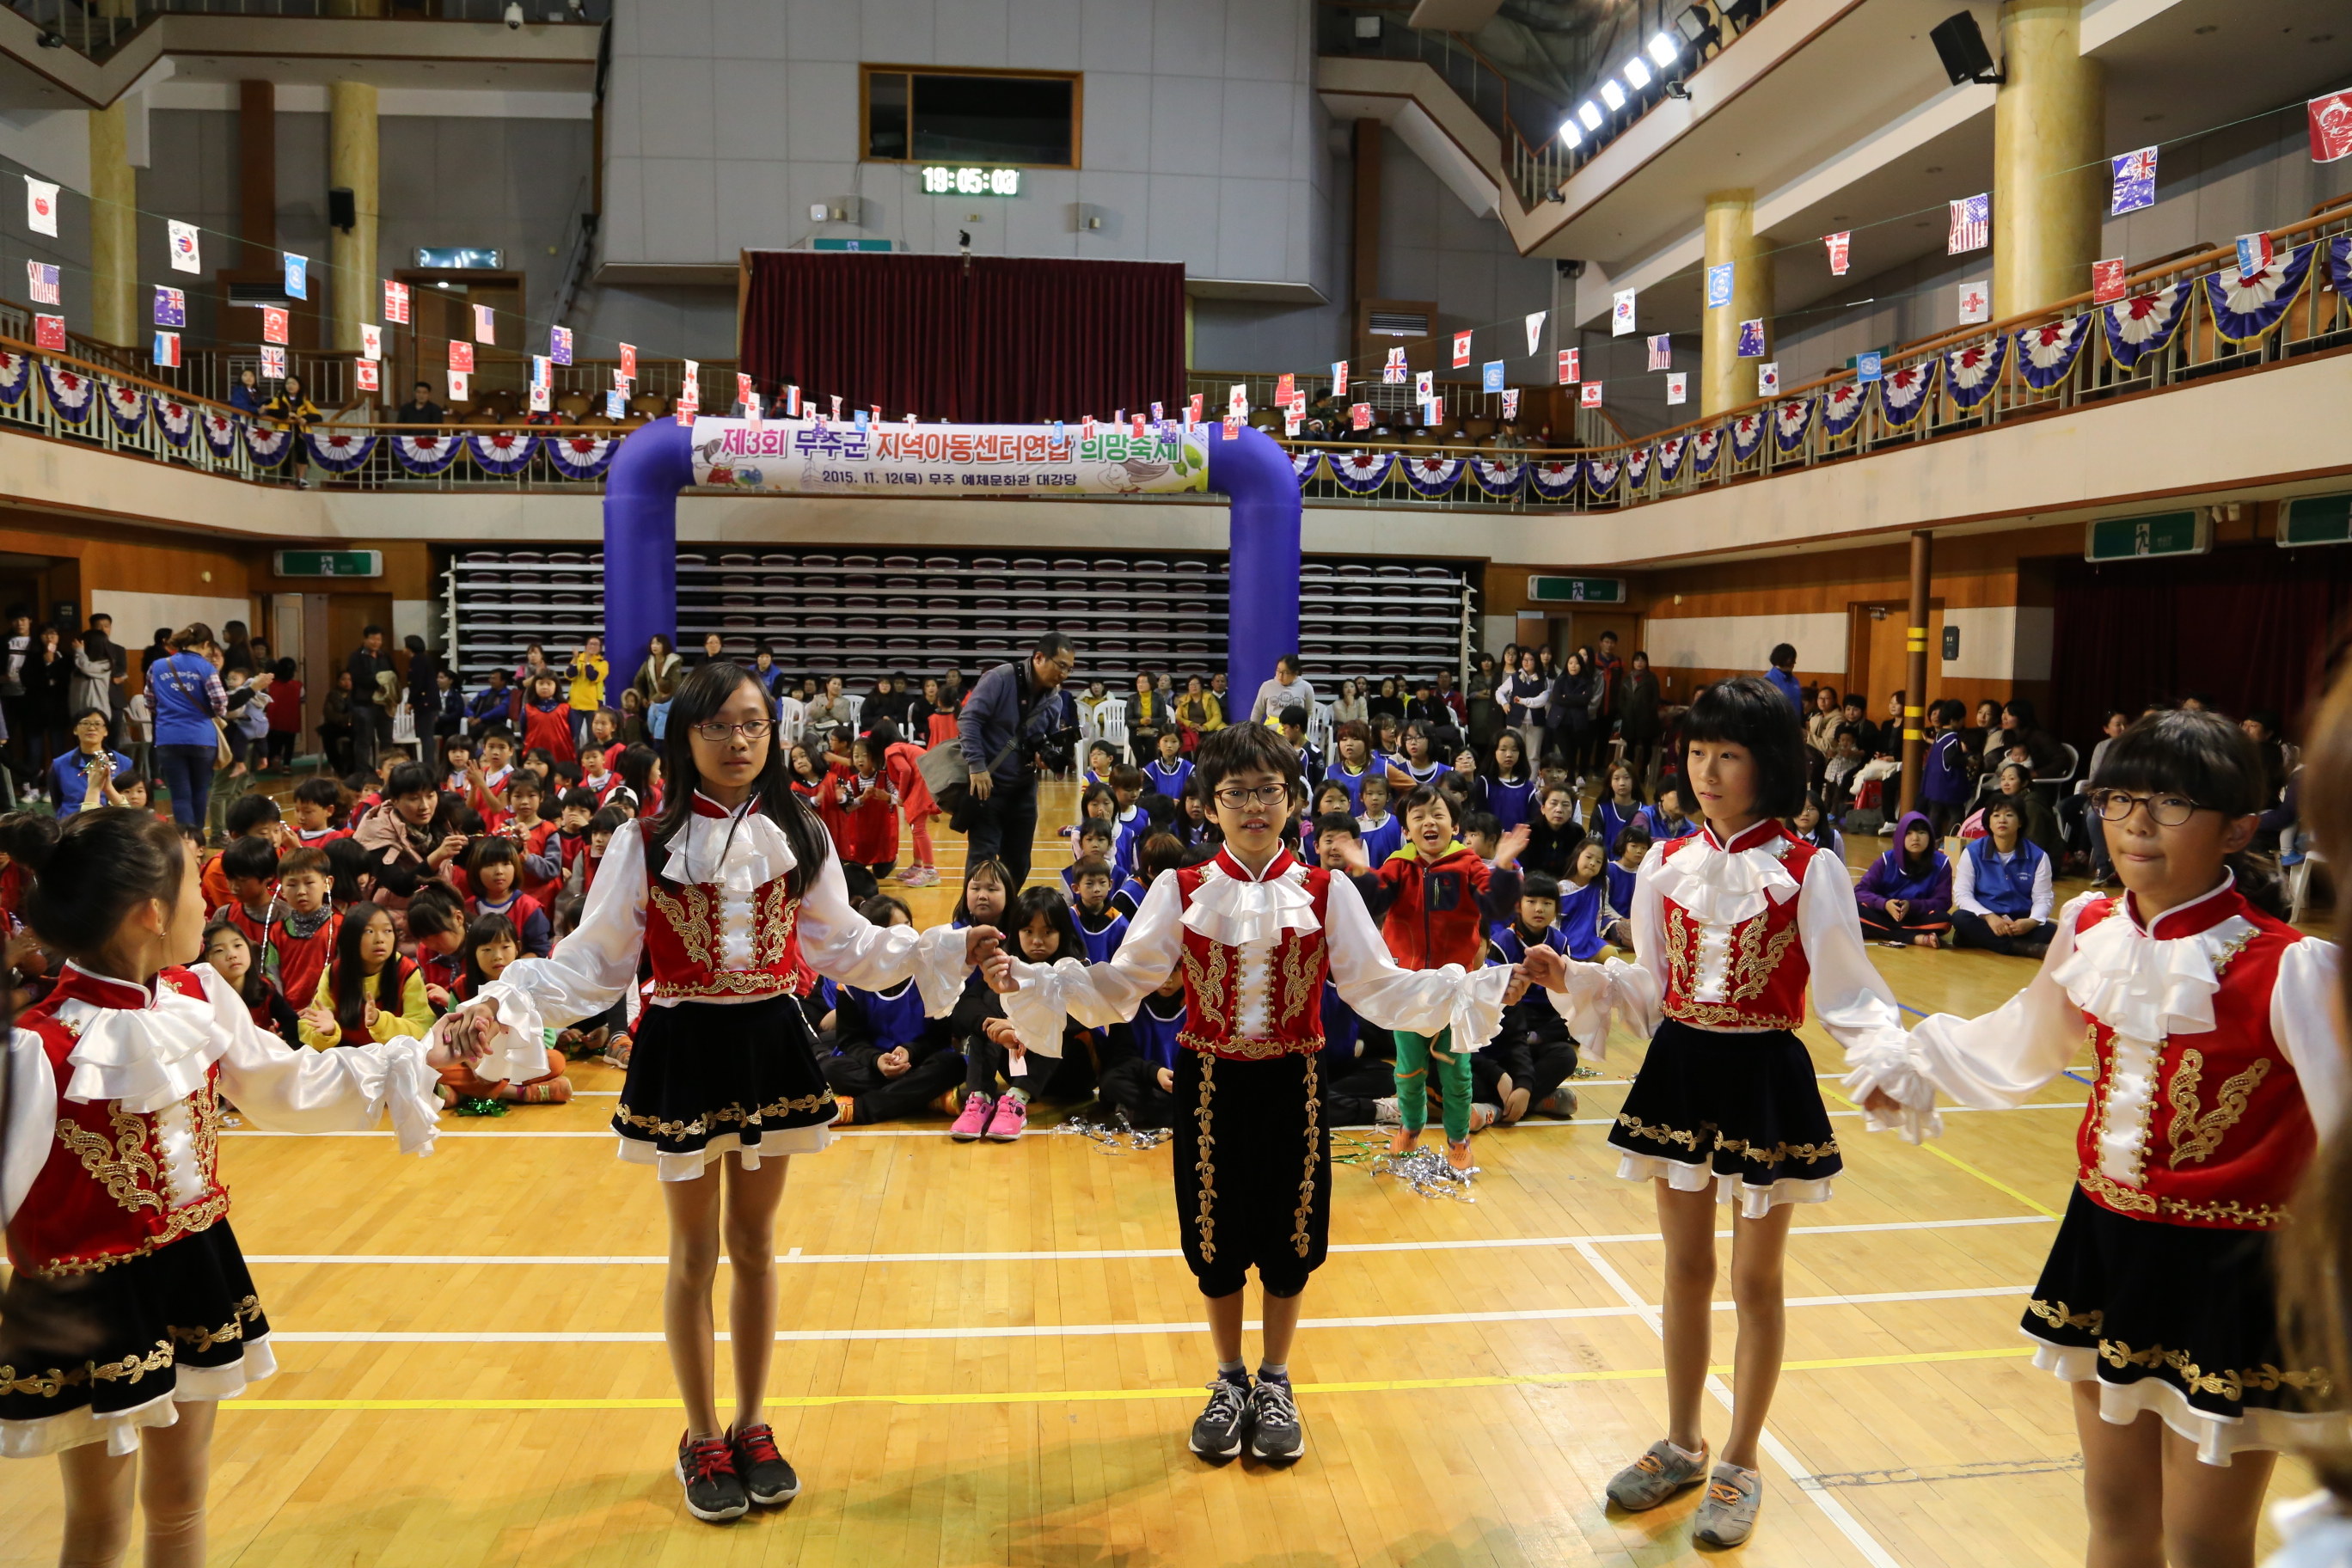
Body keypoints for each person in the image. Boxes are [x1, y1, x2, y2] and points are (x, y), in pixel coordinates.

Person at [444, 659, 1001, 1521]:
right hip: (684, 1044)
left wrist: (940, 948)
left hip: (772, 1041)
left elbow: (845, 946)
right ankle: (700, 1433)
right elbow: (595, 963)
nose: (738, 741)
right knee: (694, 1253)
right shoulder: (648, 838)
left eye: (752, 724)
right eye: (717, 727)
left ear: (773, 733)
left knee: (756, 1244)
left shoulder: (801, 831)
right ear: (685, 737)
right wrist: (503, 999)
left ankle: (751, 1422)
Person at [1852, 710, 2342, 1568]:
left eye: (2172, 803)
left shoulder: (2290, 966)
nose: (2137, 823)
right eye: (2119, 799)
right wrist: (1916, 1063)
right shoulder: (2090, 927)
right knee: (2114, 1515)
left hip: (2233, 1273)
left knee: (2204, 1540)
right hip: (2106, 1246)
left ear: (2239, 827)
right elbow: (2027, 1037)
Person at [984, 723, 1520, 1464]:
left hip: (1297, 1081)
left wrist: (1484, 985)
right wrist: (1033, 983)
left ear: (1292, 798)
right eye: (1235, 793)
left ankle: (1276, 1379)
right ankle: (1228, 1377)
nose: (1252, 805)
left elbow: (1377, 987)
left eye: (1267, 790)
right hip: (1208, 1083)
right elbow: (1123, 983)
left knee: (1291, 1237)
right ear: (1208, 805)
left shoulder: (1329, 891)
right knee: (1215, 1237)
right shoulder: (1182, 889)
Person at [0, 809, 475, 1568]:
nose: (209, 903)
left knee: (183, 1504)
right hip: (85, 1299)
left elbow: (286, 1084)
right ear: (153, 912)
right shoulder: (35, 1047)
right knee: (97, 1521)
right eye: (197, 883)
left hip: (194, 1266)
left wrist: (422, 1054)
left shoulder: (196, 993)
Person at [1516, 675, 1910, 1549]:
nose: (1707, 769)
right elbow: (1651, 988)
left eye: (1727, 753)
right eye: (1697, 751)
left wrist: (1887, 1062)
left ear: (1769, 763)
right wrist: (1575, 978)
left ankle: (1740, 1459)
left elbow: (1851, 993)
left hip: (1766, 1074)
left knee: (1755, 1281)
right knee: (1685, 1269)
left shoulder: (1812, 870)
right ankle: (1683, 1440)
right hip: (1683, 1066)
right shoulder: (1663, 864)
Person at [1331, 784, 1527, 1170]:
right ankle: (1410, 1127)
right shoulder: (1397, 866)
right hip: (1408, 987)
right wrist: (1359, 871)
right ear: (1406, 830)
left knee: (1456, 1072)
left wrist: (1502, 867)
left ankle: (1458, 1140)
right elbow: (1373, 902)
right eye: (1418, 817)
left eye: (1437, 815)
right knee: (1408, 1070)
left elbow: (1498, 906)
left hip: (1456, 988)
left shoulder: (1469, 865)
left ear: (1454, 825)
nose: (1428, 822)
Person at [824, 894, 967, 1125]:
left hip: (919, 1059)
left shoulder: (929, 971)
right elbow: (850, 1040)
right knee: (831, 1070)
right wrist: (877, 1059)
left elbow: (940, 1037)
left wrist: (910, 1051)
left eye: (909, 926)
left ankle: (859, 1109)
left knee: (953, 1065)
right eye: (897, 931)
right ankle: (926, 1096)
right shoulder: (852, 981)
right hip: (874, 1065)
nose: (909, 937)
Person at [958, 631, 1078, 890]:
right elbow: (969, 720)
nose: (1064, 675)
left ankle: (1005, 919)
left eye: (1069, 669)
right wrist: (977, 767)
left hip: (1023, 789)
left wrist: (1044, 757)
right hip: (988, 785)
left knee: (1019, 864)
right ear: (1038, 658)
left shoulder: (1054, 700)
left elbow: (1040, 739)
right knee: (982, 862)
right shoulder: (999, 678)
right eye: (1061, 666)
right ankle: (971, 923)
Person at [297, 899, 437, 1049]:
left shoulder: (407, 970)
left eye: (387, 931)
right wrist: (327, 1033)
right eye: (369, 931)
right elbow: (311, 1025)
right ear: (351, 937)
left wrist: (381, 1022)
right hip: (347, 1056)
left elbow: (422, 1026)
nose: (380, 940)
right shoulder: (334, 972)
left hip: (393, 1056)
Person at [145, 624, 235, 829]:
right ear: (205, 644)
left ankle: (186, 842)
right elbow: (220, 703)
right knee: (199, 791)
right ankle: (199, 842)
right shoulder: (206, 668)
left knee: (179, 795)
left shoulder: (158, 666)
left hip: (168, 737)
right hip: (201, 737)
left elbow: (150, 702)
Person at [1950, 796, 2055, 957]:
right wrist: (1990, 917)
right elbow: (1962, 895)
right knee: (1960, 917)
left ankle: (1976, 939)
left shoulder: (2039, 856)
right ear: (1988, 822)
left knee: (2053, 931)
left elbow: (2043, 898)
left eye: (2009, 815)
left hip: (2020, 921)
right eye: (1996, 815)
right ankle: (2022, 948)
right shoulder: (1972, 852)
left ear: (2020, 822)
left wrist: (2031, 922)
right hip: (1985, 918)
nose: (2002, 820)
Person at [1855, 812, 1953, 946]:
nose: (1915, 838)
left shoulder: (1942, 863)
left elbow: (1943, 902)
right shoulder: (1886, 860)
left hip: (1918, 916)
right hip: (1885, 914)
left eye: (1922, 832)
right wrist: (1884, 904)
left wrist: (1912, 906)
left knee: (1944, 921)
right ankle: (1916, 938)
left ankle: (1879, 930)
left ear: (1930, 836)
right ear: (1900, 836)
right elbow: (1860, 891)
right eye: (1909, 833)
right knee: (1855, 909)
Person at [48, 706, 134, 817]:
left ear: (106, 731)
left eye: (97, 724)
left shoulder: (124, 763)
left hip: (113, 823)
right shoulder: (59, 764)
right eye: (85, 723)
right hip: (73, 824)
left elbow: (130, 798)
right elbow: (57, 802)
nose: (91, 728)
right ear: (75, 730)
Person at [345, 626, 395, 774]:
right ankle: (363, 774)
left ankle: (388, 771)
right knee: (364, 740)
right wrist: (380, 680)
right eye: (372, 638)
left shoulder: (385, 656)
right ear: (365, 639)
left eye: (379, 639)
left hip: (384, 704)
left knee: (387, 740)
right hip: (364, 704)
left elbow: (394, 674)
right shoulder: (356, 656)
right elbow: (358, 678)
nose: (376, 642)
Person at [632, 634, 683, 741]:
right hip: (653, 706)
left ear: (665, 645)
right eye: (653, 643)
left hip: (670, 704)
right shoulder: (648, 662)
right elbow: (638, 680)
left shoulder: (674, 662)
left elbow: (674, 685)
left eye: (658, 643)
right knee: (651, 733)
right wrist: (643, 698)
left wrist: (653, 700)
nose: (654, 646)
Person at [1245, 652, 1314, 728]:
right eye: (1278, 671)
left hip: (1293, 729)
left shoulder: (1306, 687)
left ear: (1296, 673)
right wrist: (1252, 730)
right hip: (1271, 728)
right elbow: (1257, 710)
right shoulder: (1267, 686)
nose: (1280, 676)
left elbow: (1309, 711)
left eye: (1286, 673)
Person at [1763, 642, 1802, 713]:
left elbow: (1799, 704)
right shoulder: (1768, 681)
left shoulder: (1795, 680)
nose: (1794, 663)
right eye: (1792, 660)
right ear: (1782, 659)